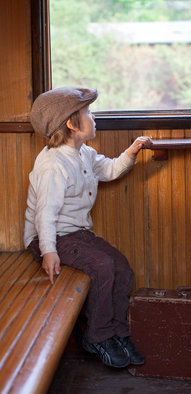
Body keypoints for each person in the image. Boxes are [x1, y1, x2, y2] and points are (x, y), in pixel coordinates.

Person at [24, 86, 152, 369]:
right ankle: (97, 335)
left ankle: (118, 332)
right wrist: (48, 251)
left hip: (77, 233)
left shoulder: (84, 154)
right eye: (88, 113)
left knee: (121, 267)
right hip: (51, 236)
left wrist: (131, 151)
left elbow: (108, 170)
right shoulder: (53, 164)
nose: (94, 118)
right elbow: (45, 214)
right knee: (103, 266)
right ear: (72, 124)